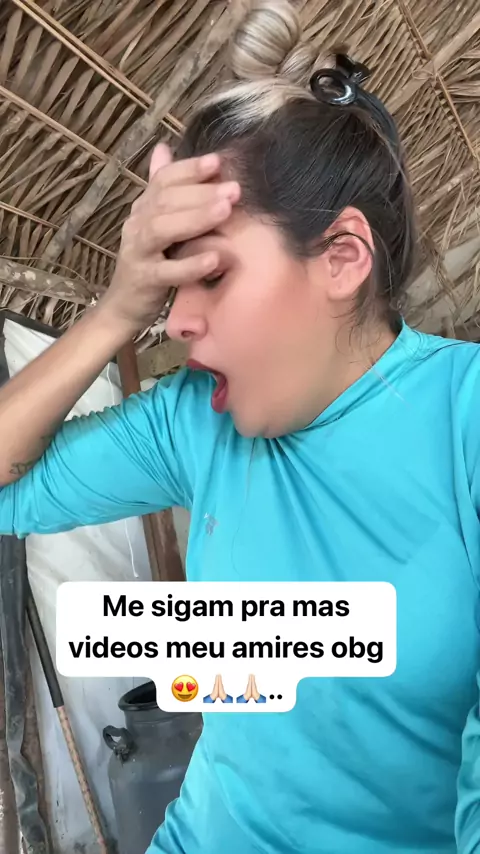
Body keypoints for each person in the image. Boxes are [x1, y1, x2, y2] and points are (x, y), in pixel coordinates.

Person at [1, 1, 480, 851]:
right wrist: (118, 310)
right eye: (168, 287)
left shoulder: (463, 418)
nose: (178, 320)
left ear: (342, 259)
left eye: (213, 277)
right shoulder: (198, 421)